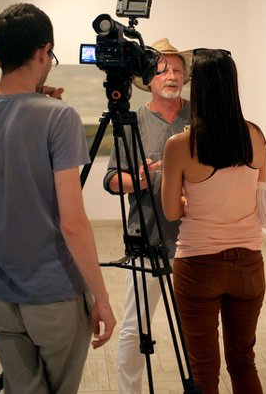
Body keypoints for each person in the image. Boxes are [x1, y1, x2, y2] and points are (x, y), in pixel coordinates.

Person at [0, 3, 116, 394]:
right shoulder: (59, 116)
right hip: (54, 293)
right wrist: (101, 297)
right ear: (44, 51)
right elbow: (72, 222)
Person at [161, 48, 266, 394]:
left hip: (198, 264)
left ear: (199, 89)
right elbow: (260, 195)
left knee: (204, 368)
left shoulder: (180, 145)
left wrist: (188, 199)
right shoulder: (256, 137)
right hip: (249, 263)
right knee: (243, 360)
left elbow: (171, 212)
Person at [102, 38, 192, 393]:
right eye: (163, 69)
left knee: (194, 327)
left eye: (177, 69)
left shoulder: (199, 117)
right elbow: (111, 180)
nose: (171, 75)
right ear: (148, 79)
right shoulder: (132, 122)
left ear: (185, 76)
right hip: (147, 239)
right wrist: (135, 179)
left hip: (194, 241)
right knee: (135, 327)